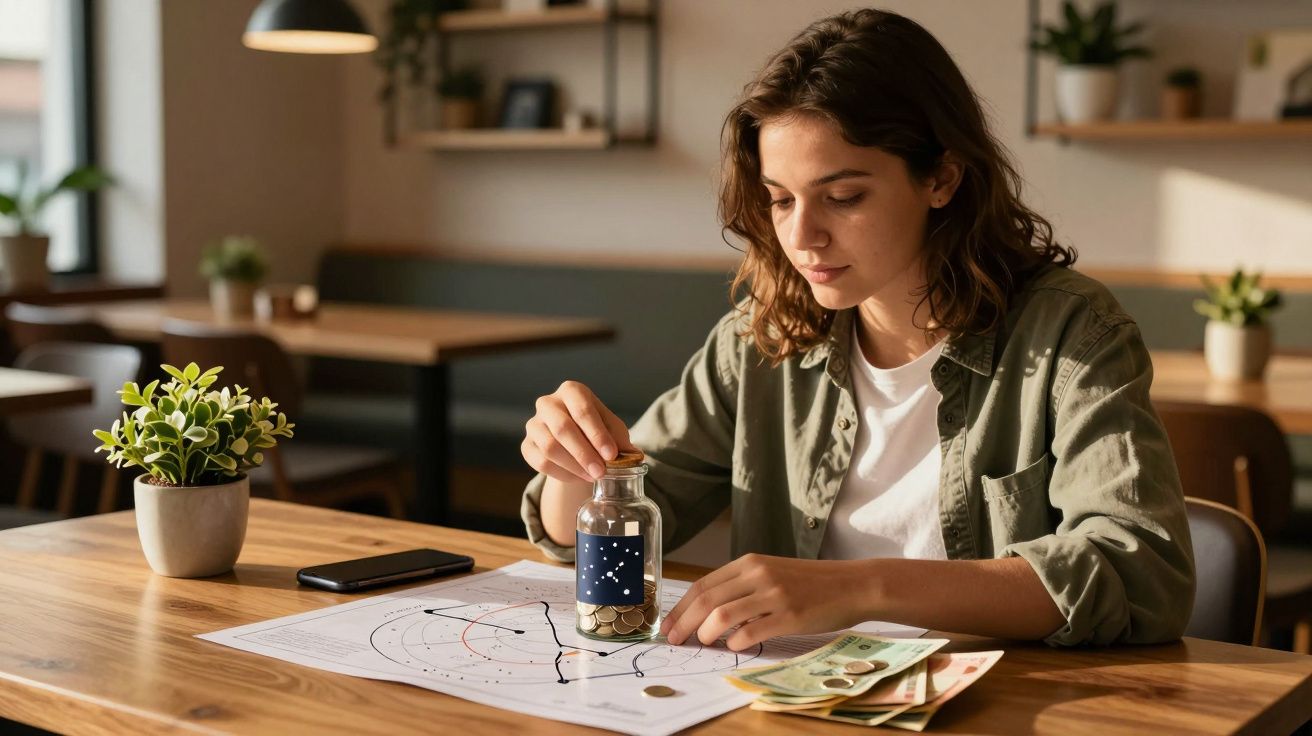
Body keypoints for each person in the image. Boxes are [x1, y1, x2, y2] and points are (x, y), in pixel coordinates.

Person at [519, 8, 1194, 650]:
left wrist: (863, 585)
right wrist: (573, 468)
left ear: (942, 178)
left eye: (843, 197)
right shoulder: (759, 341)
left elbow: (1141, 574)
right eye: (780, 200)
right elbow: (591, 538)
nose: (802, 236)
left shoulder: (1072, 335)